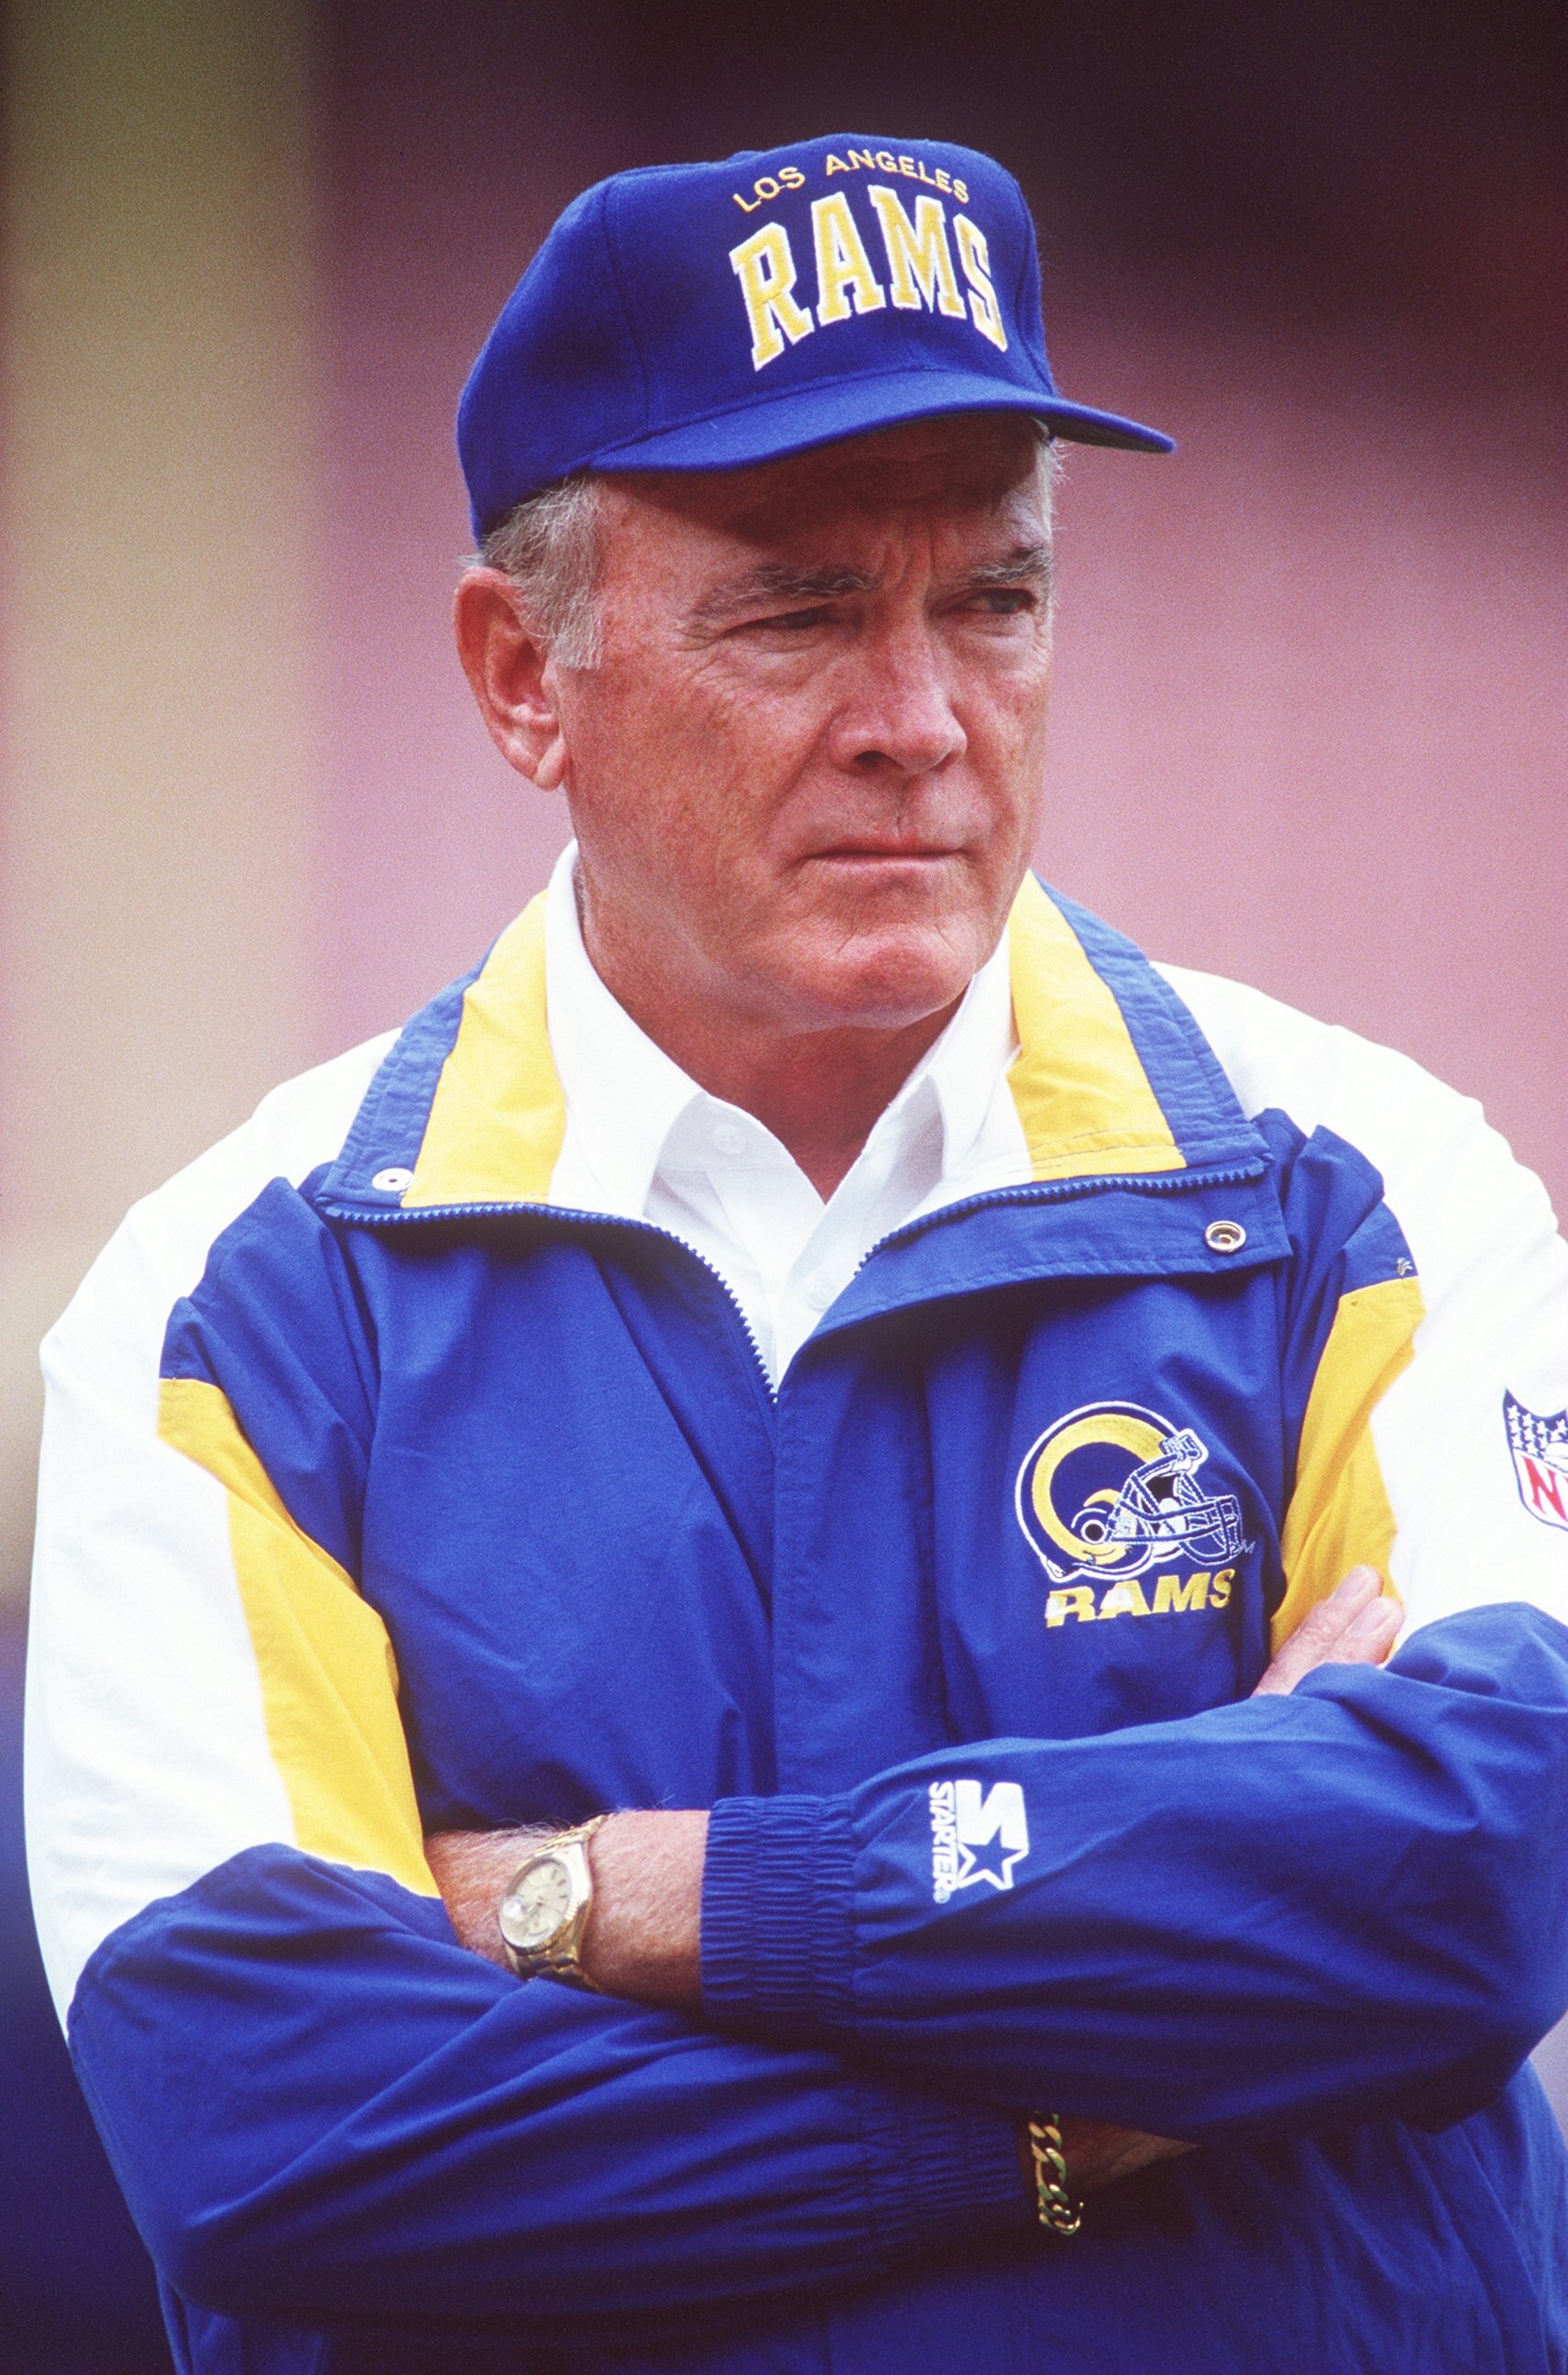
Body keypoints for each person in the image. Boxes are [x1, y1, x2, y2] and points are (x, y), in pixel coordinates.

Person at [25, 131, 1568, 2375]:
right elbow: (272, 2132)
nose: (920, 717)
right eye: (797, 606)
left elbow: (1481, 1867)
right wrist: (1088, 2111)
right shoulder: (236, 1308)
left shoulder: (1365, 1184)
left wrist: (639, 1904)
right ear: (518, 675)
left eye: (994, 598)